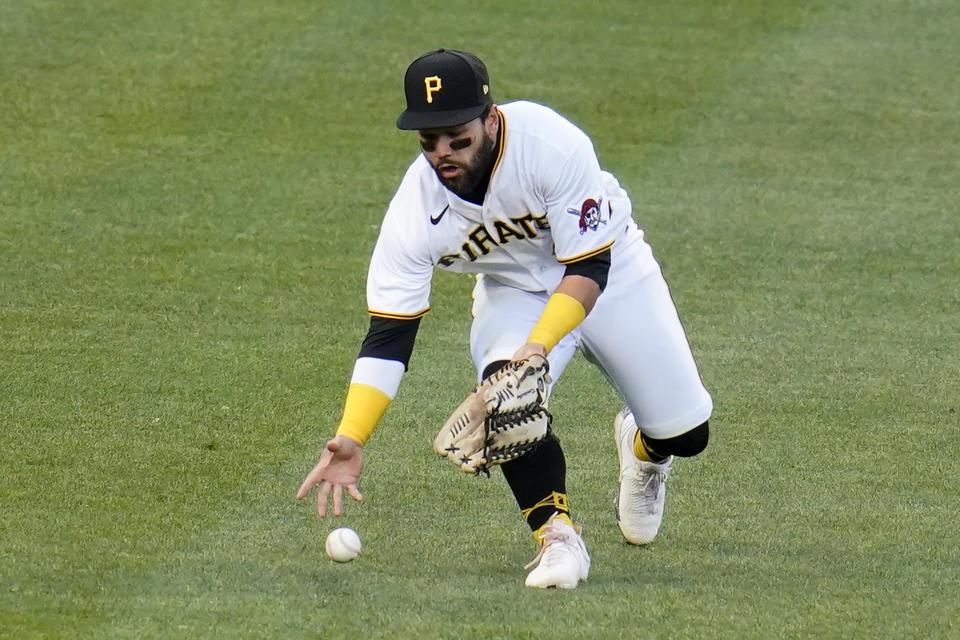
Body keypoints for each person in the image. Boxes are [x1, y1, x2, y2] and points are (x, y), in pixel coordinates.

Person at [297, 49, 713, 589]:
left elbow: (588, 266)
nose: (442, 153)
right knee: (506, 400)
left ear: (490, 120)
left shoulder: (549, 144)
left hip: (610, 271)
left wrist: (537, 346)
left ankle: (644, 447)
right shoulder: (413, 213)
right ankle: (558, 539)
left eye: (457, 138)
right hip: (513, 291)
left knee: (687, 433)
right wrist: (351, 436)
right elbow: (389, 335)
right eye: (428, 142)